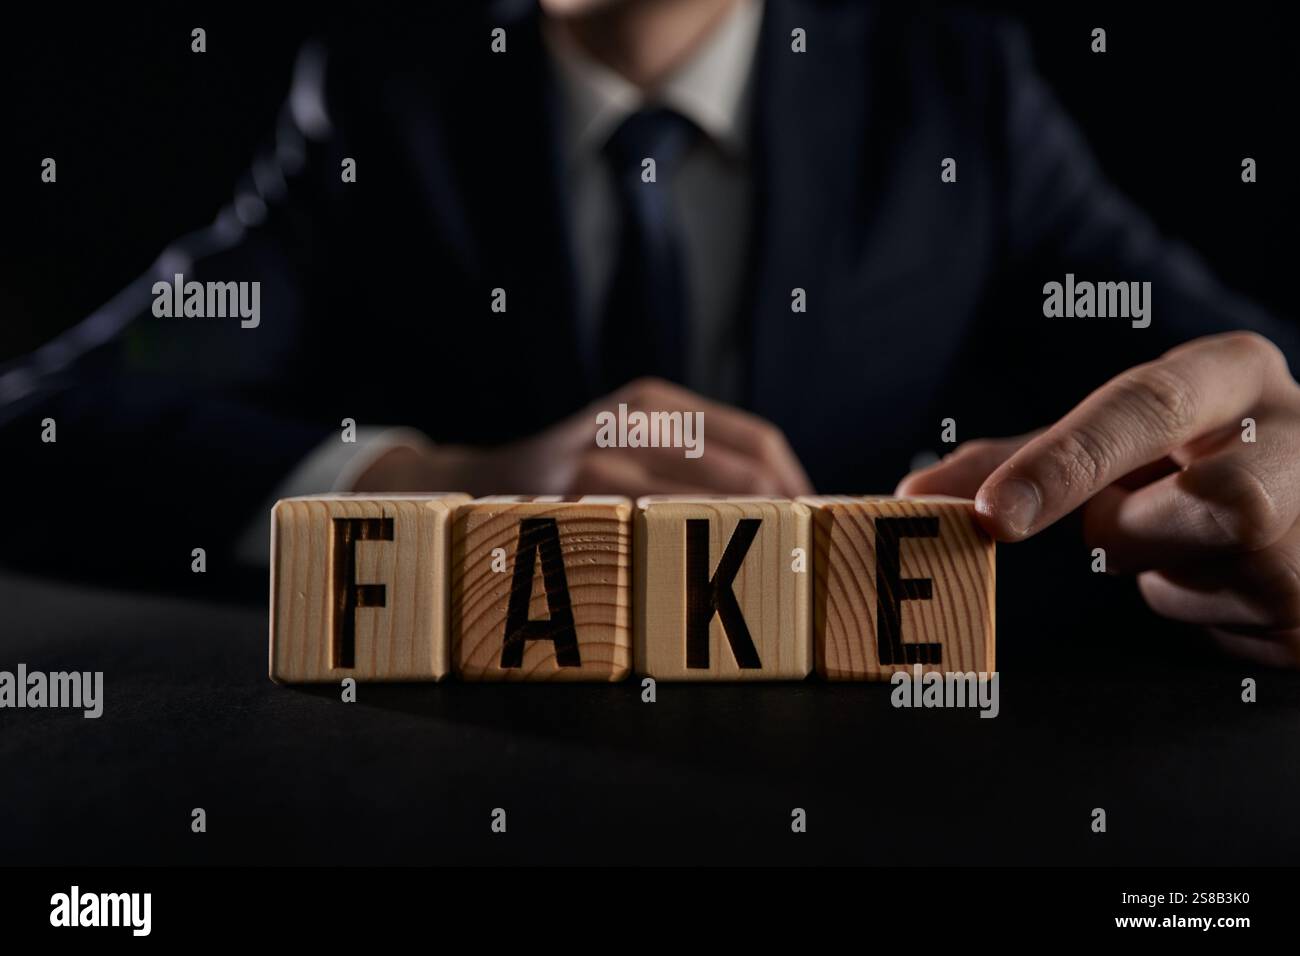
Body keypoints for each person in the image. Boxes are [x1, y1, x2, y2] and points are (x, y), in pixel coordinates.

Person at [3, 0, 1299, 666]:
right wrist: (445, 486)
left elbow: (1243, 388)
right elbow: (43, 418)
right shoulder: (381, 111)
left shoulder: (952, 92)